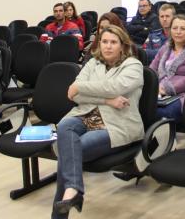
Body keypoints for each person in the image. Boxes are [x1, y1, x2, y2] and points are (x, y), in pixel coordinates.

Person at [52, 25, 144, 218]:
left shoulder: (133, 65)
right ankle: (74, 189)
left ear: (122, 45)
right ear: (99, 43)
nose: (108, 46)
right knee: (64, 126)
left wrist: (79, 86)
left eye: (113, 42)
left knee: (69, 149)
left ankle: (60, 212)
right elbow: (75, 97)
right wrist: (106, 100)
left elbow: (114, 86)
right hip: (88, 114)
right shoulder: (93, 63)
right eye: (104, 42)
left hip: (118, 123)